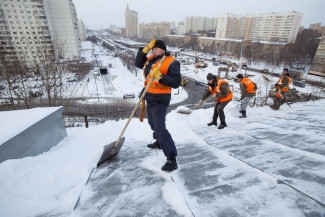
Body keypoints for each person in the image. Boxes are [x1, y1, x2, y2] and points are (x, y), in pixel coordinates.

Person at [135, 39, 181, 172]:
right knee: (152, 123)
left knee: (160, 127)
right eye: (151, 49)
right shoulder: (150, 59)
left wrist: (161, 77)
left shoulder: (172, 62)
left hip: (161, 98)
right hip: (149, 95)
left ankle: (172, 159)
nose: (152, 51)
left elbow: (176, 82)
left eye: (155, 49)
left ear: (162, 49)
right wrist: (143, 51)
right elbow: (138, 64)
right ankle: (160, 142)